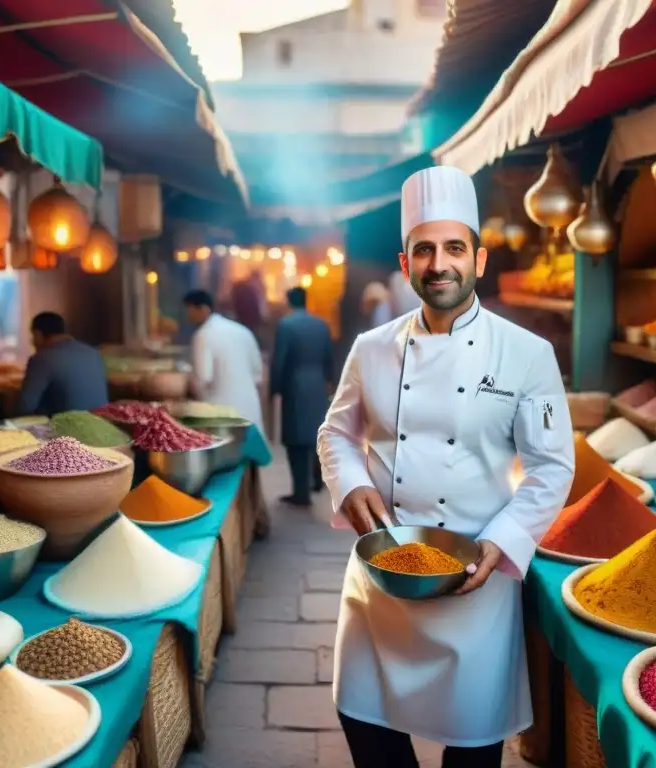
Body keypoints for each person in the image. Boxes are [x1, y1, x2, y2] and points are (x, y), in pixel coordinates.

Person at [317, 165, 575, 767]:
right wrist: (351, 484)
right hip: (380, 583)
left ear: (479, 260)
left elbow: (551, 466)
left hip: (473, 588)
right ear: (406, 265)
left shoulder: (527, 355)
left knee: (472, 754)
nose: (440, 264)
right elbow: (336, 431)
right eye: (424, 250)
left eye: (454, 248)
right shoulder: (371, 348)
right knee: (365, 727)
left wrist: (503, 542)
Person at [271, 287, 333, 507]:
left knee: (296, 440)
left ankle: (301, 492)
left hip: (295, 384)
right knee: (316, 434)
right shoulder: (322, 324)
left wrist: (274, 388)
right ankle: (318, 480)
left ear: (288, 302)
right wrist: (329, 382)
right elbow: (329, 357)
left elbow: (279, 360)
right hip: (317, 383)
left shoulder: (286, 325)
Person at [184, 290, 265, 433]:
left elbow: (202, 378)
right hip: (250, 409)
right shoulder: (242, 330)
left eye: (189, 310)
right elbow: (258, 374)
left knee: (226, 453)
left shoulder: (203, 335)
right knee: (250, 453)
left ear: (203, 309)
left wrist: (188, 382)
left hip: (222, 413)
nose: (187, 315)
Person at [18, 312, 109, 416]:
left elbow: (25, 406)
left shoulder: (42, 359)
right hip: (101, 424)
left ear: (38, 334)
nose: (32, 342)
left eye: (33, 336)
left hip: (65, 428)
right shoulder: (93, 353)